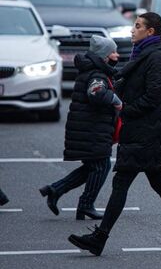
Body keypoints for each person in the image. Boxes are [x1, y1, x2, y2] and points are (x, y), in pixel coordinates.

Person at [68, 13, 161, 256]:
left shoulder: (155, 58)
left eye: (138, 26)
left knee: (122, 184)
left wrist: (125, 109)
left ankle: (100, 237)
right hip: (143, 132)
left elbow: (156, 95)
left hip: (145, 133)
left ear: (150, 32)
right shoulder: (142, 55)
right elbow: (133, 84)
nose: (132, 30)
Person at [39, 36, 121, 220]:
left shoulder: (93, 70)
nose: (117, 55)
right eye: (113, 52)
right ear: (105, 56)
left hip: (89, 128)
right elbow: (96, 93)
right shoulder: (97, 74)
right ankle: (85, 204)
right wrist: (116, 101)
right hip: (91, 130)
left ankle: (55, 190)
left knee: (93, 166)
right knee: (101, 166)